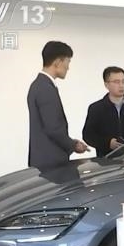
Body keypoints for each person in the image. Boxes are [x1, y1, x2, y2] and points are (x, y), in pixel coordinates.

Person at [27, 41, 88, 170]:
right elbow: (53, 129)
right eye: (68, 62)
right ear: (58, 62)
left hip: (43, 159)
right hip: (51, 162)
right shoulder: (45, 88)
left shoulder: (38, 85)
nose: (68, 67)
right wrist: (73, 145)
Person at [82, 66, 124, 157]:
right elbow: (88, 135)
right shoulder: (96, 108)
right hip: (106, 160)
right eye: (117, 82)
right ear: (106, 84)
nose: (121, 85)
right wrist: (108, 143)